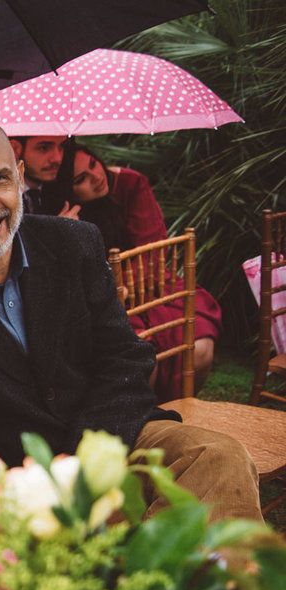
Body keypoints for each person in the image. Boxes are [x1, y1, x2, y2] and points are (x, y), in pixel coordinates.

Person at [0, 117, 261, 523]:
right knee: (115, 536)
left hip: (110, 437)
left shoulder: (74, 242)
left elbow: (124, 357)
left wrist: (82, 463)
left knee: (218, 457)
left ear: (19, 178)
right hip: (15, 486)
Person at [52, 143, 222, 399]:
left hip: (148, 282)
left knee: (200, 347)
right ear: (68, 191)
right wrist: (67, 233)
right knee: (139, 360)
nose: (96, 177)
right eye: (81, 179)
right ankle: (142, 420)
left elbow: (153, 247)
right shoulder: (62, 214)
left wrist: (123, 282)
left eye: (93, 164)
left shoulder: (129, 184)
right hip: (102, 299)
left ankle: (179, 407)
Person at [11, 135, 72, 217]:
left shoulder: (63, 190)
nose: (58, 158)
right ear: (15, 149)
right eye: (44, 148)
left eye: (62, 146)